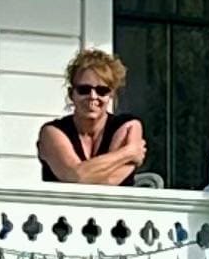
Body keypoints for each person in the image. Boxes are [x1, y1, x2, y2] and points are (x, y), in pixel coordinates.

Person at [37, 49, 147, 185]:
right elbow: (76, 176)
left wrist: (84, 174)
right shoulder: (52, 132)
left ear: (111, 94)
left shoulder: (128, 126)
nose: (93, 96)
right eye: (84, 90)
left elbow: (110, 183)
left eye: (102, 90)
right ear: (72, 94)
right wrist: (128, 152)